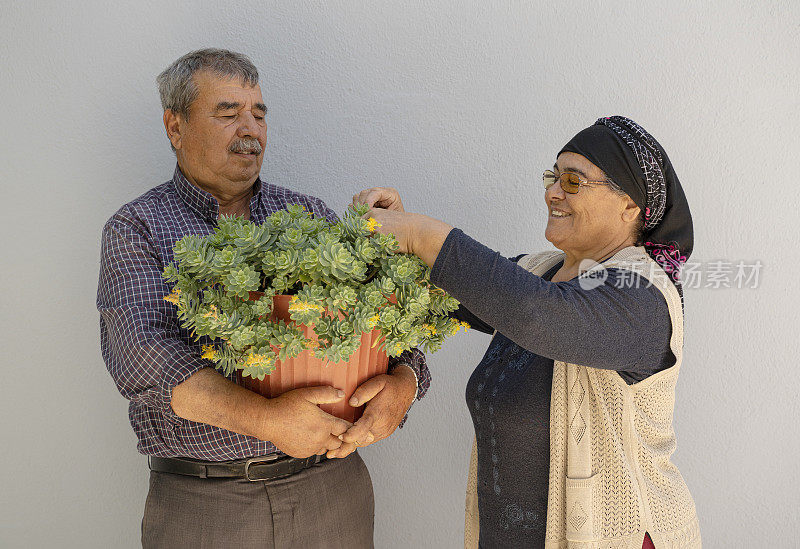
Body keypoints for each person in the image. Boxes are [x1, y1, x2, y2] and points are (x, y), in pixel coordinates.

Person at [96, 48, 430, 548]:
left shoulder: (306, 214)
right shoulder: (138, 228)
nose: (250, 128)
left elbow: (385, 325)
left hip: (330, 491)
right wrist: (269, 421)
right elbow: (141, 361)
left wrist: (404, 384)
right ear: (175, 127)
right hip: (207, 505)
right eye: (228, 113)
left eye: (259, 113)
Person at [353, 116, 701, 548]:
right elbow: (460, 287)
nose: (552, 191)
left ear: (630, 206)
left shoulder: (644, 294)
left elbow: (540, 316)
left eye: (573, 181)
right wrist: (398, 227)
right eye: (554, 176)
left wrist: (423, 234)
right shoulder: (541, 272)